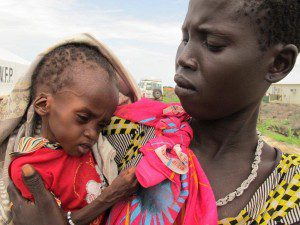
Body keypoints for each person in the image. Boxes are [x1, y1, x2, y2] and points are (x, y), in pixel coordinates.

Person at [2, 0, 300, 224]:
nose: (184, 58)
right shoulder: (119, 134)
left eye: (212, 44)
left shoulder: (289, 193)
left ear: (279, 64)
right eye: (185, 38)